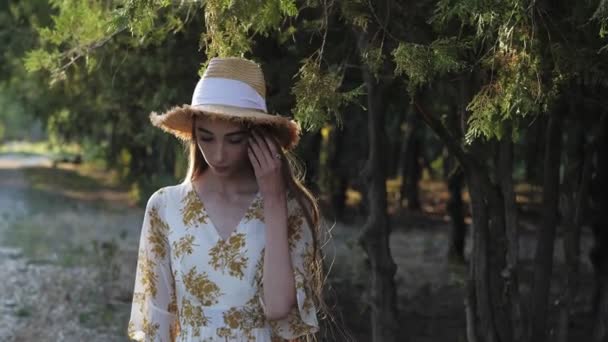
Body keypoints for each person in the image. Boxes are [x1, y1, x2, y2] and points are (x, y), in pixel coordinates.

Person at [127, 57, 324, 341]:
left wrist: (273, 199)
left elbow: (279, 308)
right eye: (206, 138)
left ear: (259, 136)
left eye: (234, 140)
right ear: (193, 135)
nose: (218, 155)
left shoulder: (292, 208)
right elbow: (154, 318)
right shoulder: (165, 206)